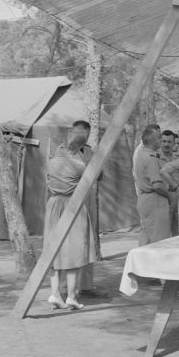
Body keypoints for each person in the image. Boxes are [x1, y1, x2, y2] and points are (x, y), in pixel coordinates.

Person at [44, 131, 97, 311]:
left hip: (53, 204)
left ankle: (55, 293)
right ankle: (71, 296)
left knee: (54, 249)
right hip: (72, 206)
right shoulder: (78, 164)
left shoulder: (51, 161)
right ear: (80, 146)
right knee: (75, 250)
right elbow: (94, 177)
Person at [70, 120, 107, 299]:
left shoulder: (91, 151)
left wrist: (98, 163)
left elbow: (100, 176)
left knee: (88, 242)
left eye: (82, 134)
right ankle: (67, 288)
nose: (79, 136)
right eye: (76, 132)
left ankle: (86, 286)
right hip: (70, 199)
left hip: (88, 198)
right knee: (70, 243)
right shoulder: (64, 151)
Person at [134, 127, 172, 246]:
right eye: (160, 139)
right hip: (155, 201)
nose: (161, 142)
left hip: (144, 199)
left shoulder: (140, 155)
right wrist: (170, 195)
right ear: (155, 141)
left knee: (146, 237)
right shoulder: (151, 158)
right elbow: (156, 185)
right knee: (159, 240)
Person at [132, 124, 160, 195]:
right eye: (158, 136)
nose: (160, 139)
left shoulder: (152, 151)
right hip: (147, 192)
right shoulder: (142, 152)